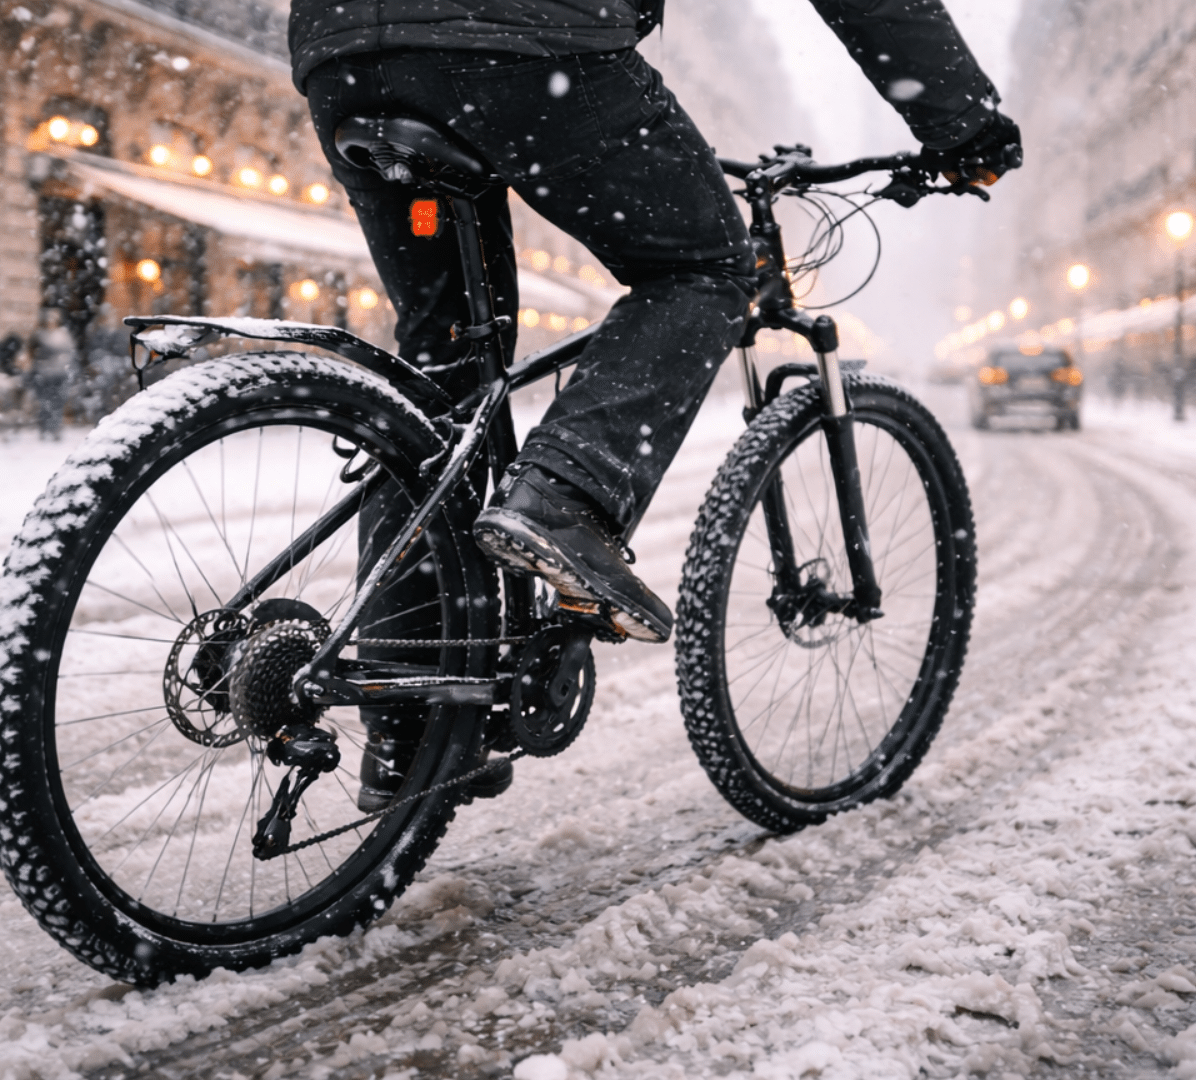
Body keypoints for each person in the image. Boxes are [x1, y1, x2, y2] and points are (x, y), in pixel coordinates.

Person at [290, 0, 1020, 808]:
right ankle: (565, 495)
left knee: (444, 376)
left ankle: (412, 724)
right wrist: (963, 122)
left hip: (345, 52)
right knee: (704, 265)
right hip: (527, 38)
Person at [29, 308, 78, 440]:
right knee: (44, 403)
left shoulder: (64, 336)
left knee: (57, 403)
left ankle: (55, 428)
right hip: (43, 374)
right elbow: (32, 354)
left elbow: (71, 354)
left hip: (59, 374)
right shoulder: (39, 336)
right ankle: (44, 429)